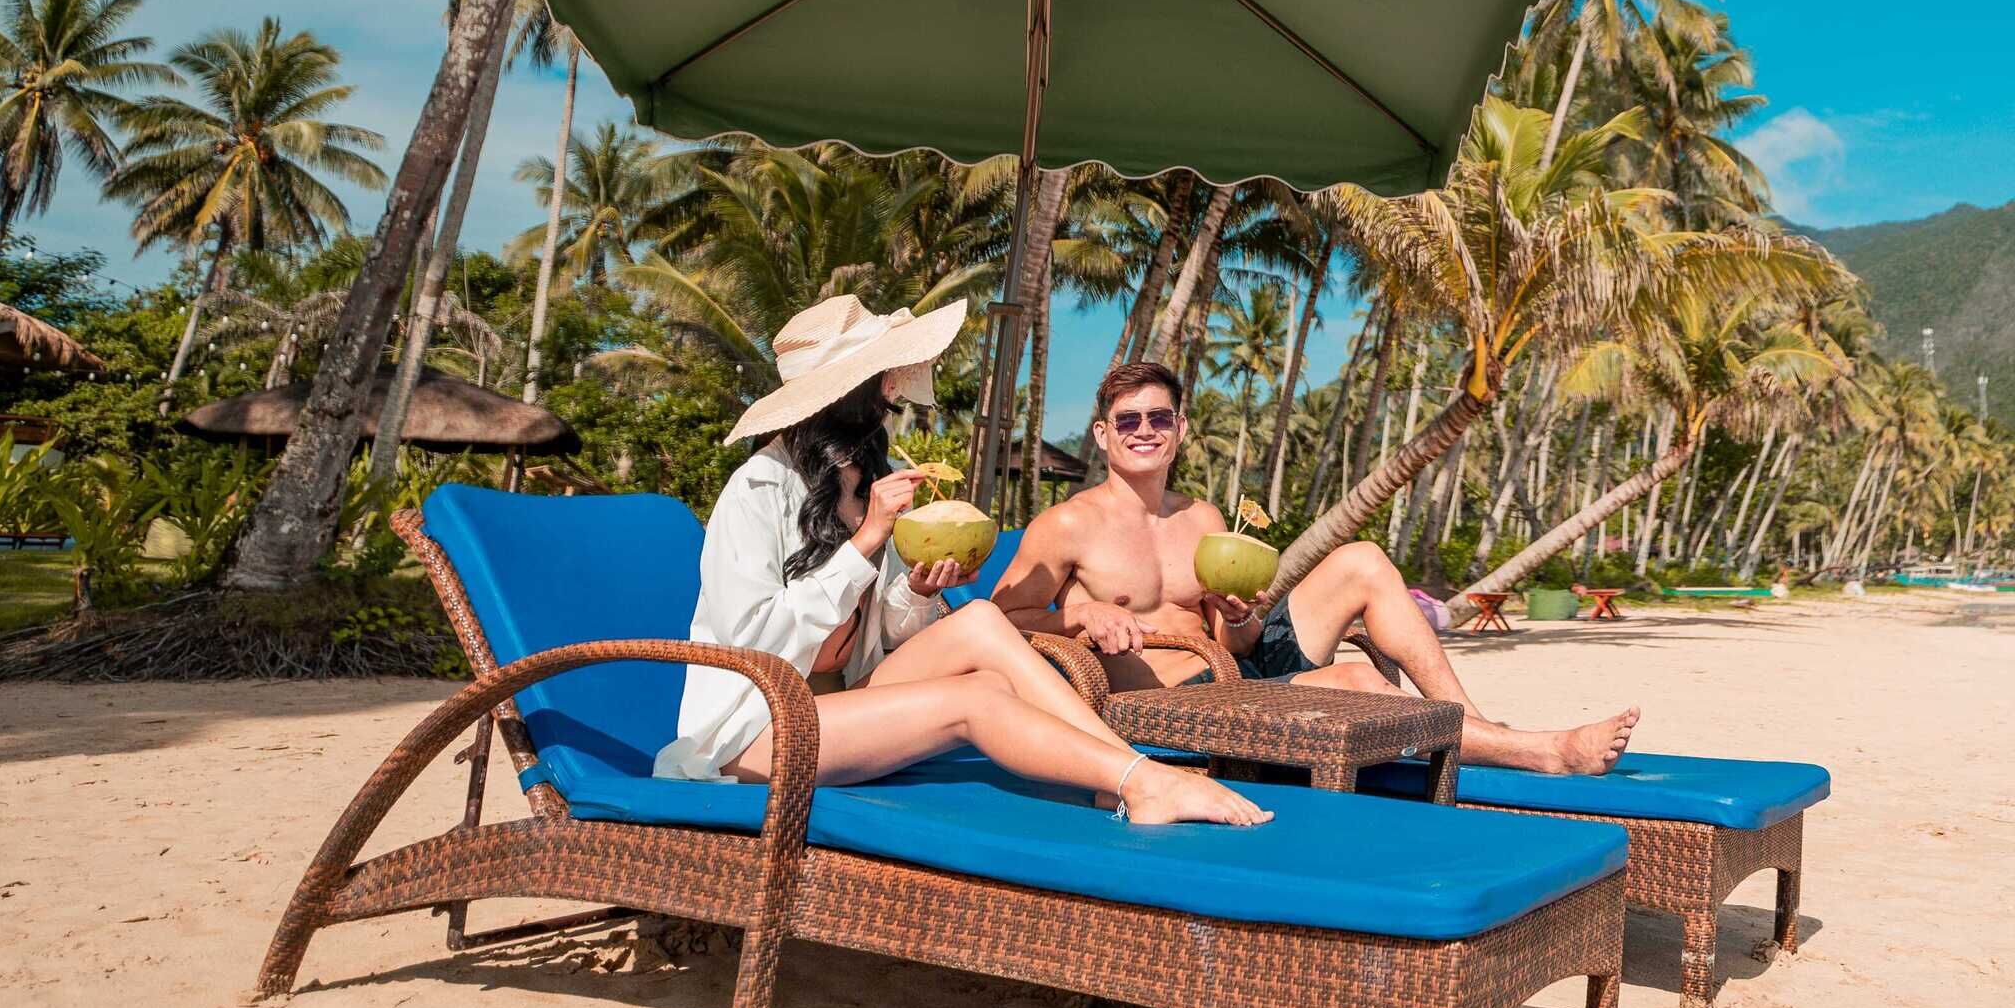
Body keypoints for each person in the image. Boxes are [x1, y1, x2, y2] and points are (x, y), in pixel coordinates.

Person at [658, 295, 1265, 829]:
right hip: (761, 727)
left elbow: (888, 637)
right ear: (844, 390)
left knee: (978, 622)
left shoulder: (869, 480)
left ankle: (1125, 775)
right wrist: (865, 543)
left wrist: (919, 594)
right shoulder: (758, 488)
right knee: (975, 701)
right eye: (883, 378)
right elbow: (750, 640)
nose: (894, 391)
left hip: (847, 701)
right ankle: (1142, 779)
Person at [994, 357, 1639, 777]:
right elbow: (999, 618)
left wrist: (1239, 618)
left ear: (1181, 428)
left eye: (1158, 417)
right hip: (1178, 697)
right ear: (1103, 434)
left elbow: (1234, 643)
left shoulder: (1204, 517)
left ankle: (1472, 720)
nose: (1144, 430)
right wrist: (1082, 614)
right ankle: (1541, 751)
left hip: (1237, 669)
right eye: (1127, 419)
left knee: (1363, 559)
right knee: (1358, 680)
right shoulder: (1069, 524)